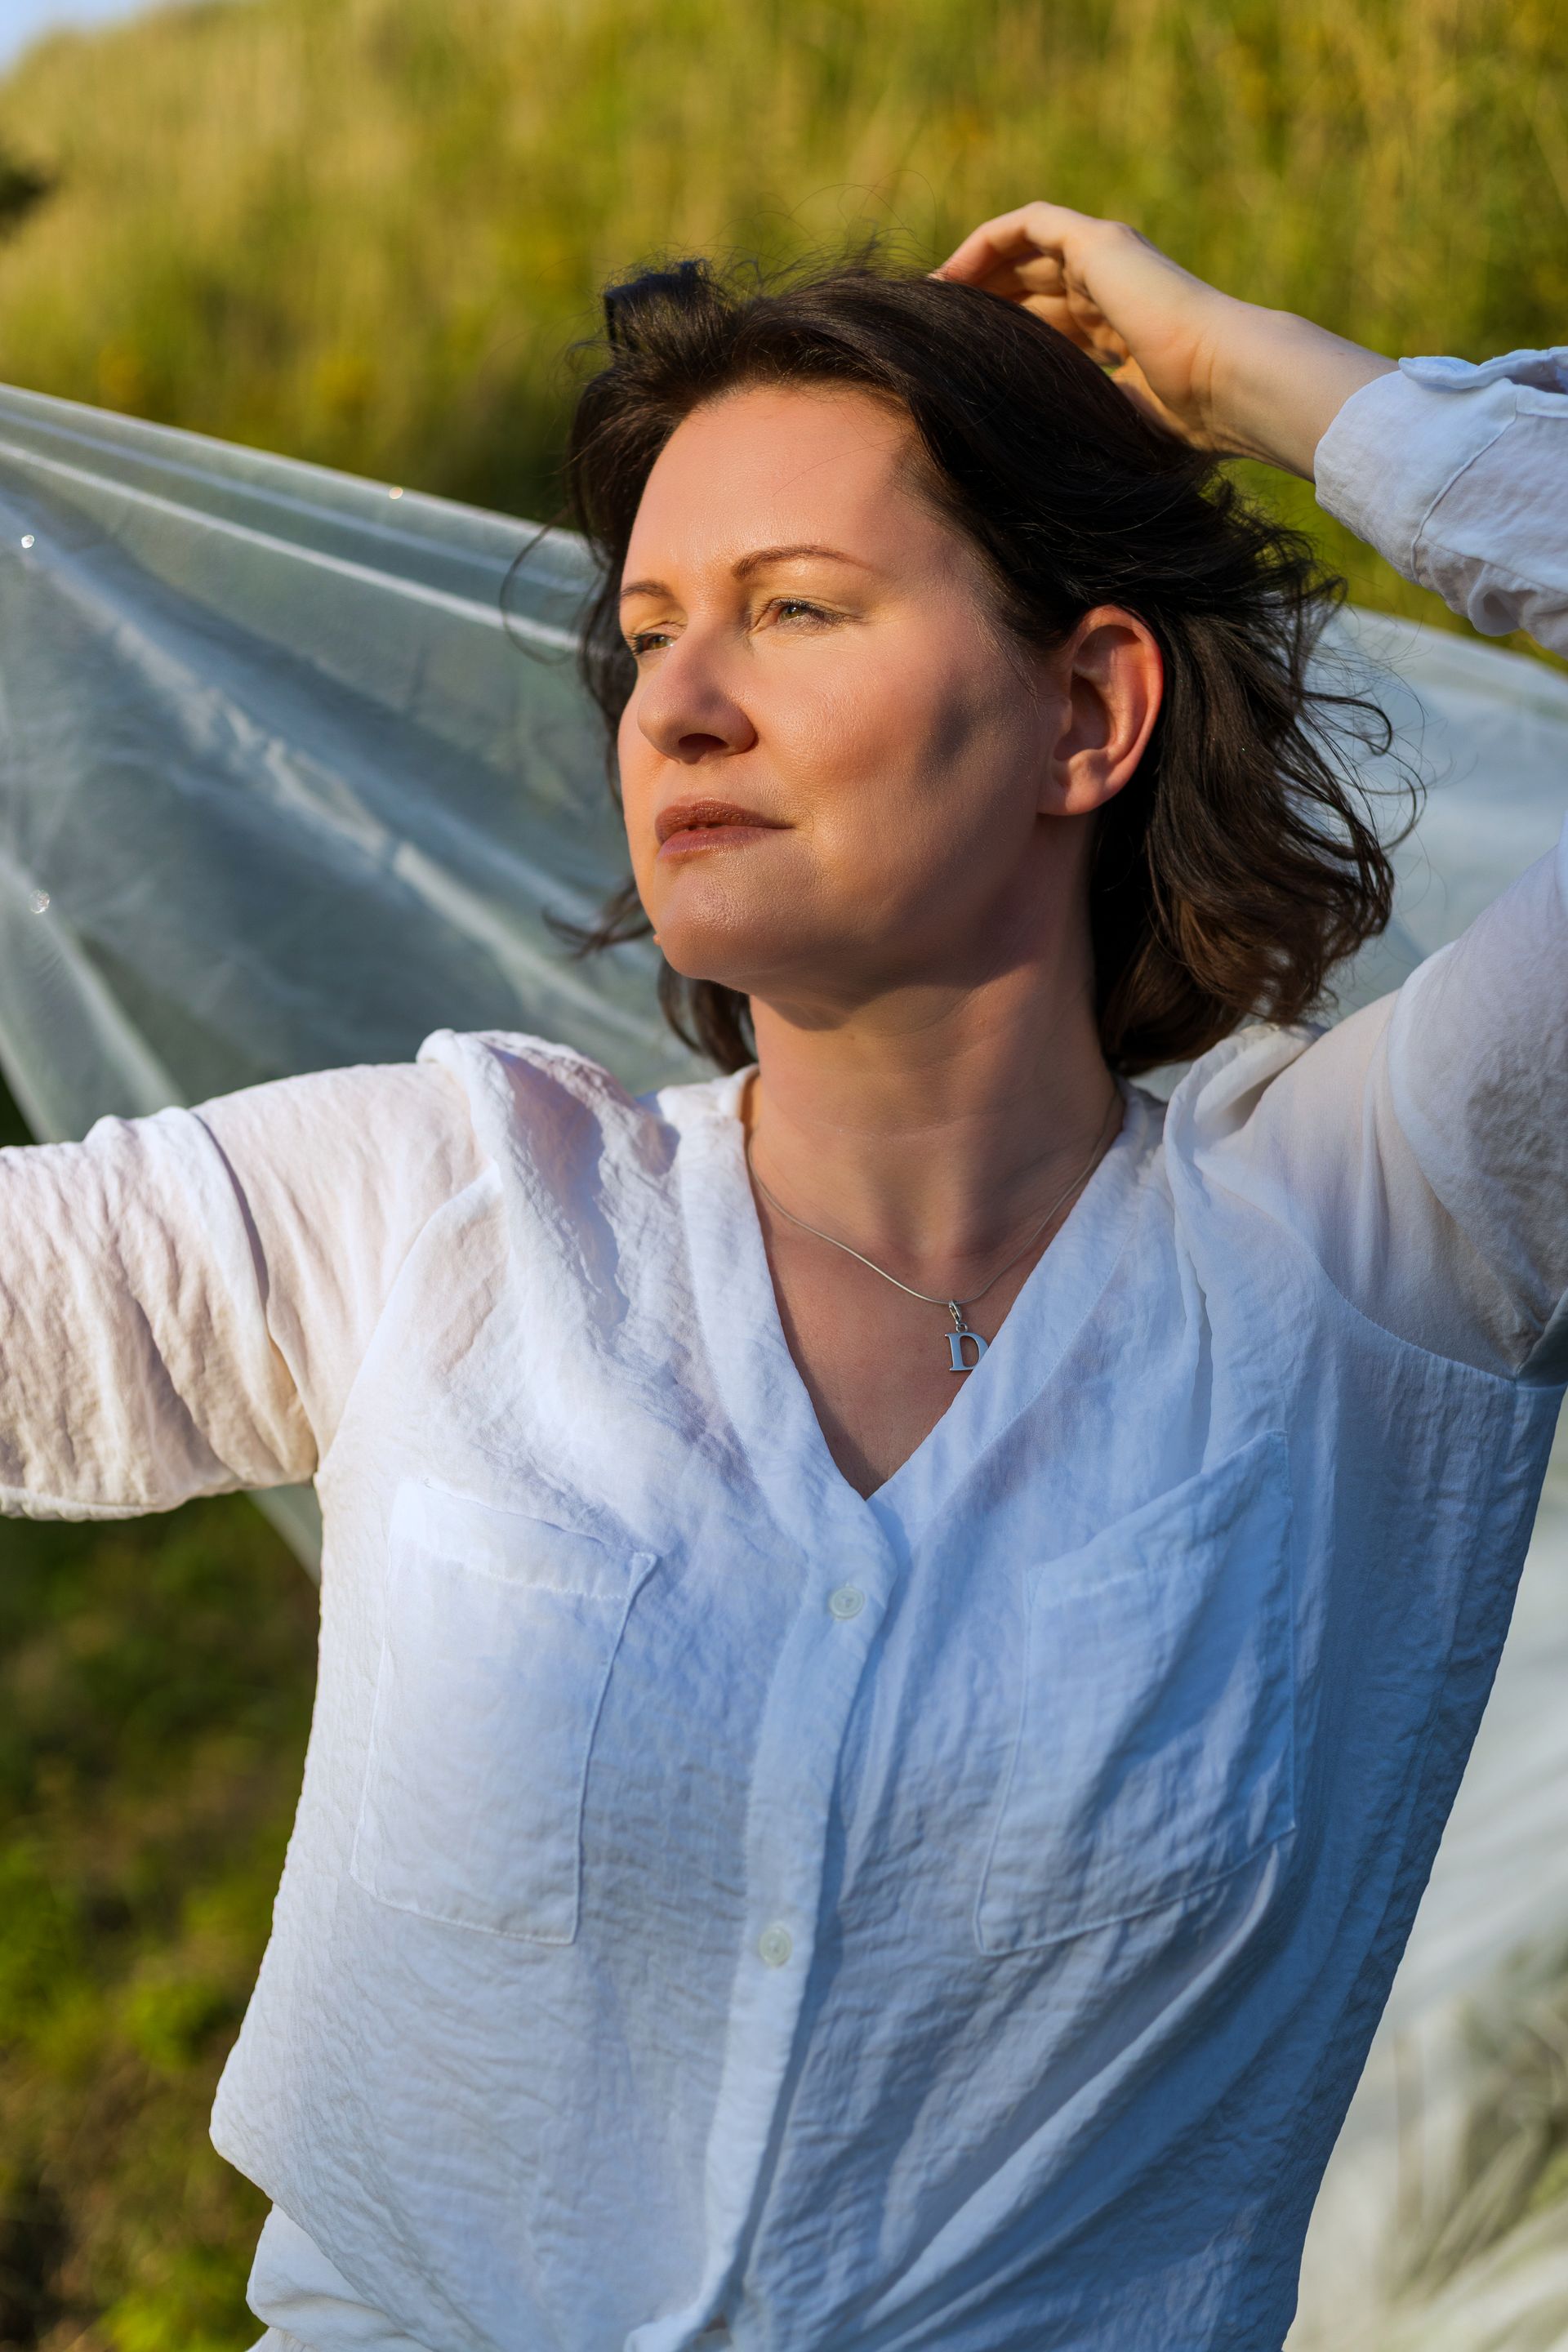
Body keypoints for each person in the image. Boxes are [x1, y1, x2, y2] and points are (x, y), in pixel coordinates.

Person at [1, 200, 1563, 2352]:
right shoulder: (448, 1199)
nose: (681, 707)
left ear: (1089, 709)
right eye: (649, 635)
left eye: (795, 608)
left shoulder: (1379, 1238)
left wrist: (1259, 382)